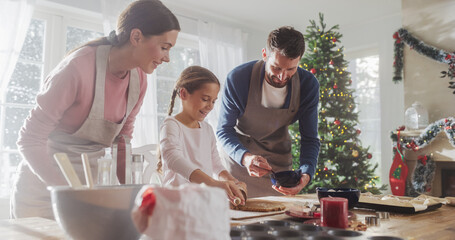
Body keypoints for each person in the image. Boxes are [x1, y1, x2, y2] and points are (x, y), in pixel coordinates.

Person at [11, 0, 180, 219]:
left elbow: (123, 143)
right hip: (42, 194)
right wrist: (67, 193)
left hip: (89, 195)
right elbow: (29, 140)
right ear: (136, 37)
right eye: (164, 47)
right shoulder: (77, 68)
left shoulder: (140, 80)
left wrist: (136, 197)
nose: (167, 58)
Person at [216, 26, 320, 198]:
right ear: (264, 54)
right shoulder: (238, 79)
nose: (282, 76)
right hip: (239, 163)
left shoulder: (308, 85)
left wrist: (306, 173)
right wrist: (246, 158)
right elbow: (223, 130)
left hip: (278, 168)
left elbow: (309, 138)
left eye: (291, 69)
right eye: (277, 68)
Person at [158, 66, 247, 206]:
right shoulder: (171, 125)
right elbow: (173, 159)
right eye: (205, 99)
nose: (210, 106)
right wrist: (212, 183)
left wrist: (232, 182)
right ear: (183, 94)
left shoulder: (207, 129)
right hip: (175, 205)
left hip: (201, 203)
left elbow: (216, 165)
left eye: (213, 101)